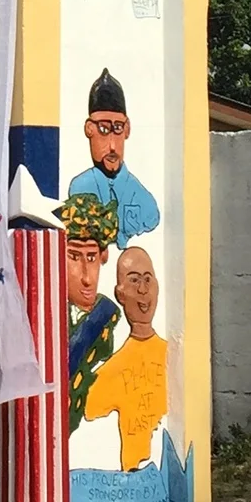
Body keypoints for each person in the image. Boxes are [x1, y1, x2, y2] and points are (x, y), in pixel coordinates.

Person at [80, 246, 167, 471]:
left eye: (148, 280)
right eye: (134, 280)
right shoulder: (111, 371)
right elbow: (85, 409)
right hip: (133, 481)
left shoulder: (174, 358)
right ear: (120, 293)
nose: (143, 289)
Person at [65, 67, 159, 249]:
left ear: (127, 129)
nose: (112, 146)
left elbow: (151, 218)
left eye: (117, 129)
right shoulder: (79, 188)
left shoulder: (144, 200)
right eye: (103, 129)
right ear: (89, 129)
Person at [59, 192, 121, 430]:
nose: (86, 276)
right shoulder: (49, 317)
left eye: (92, 258)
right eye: (74, 257)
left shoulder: (106, 316)